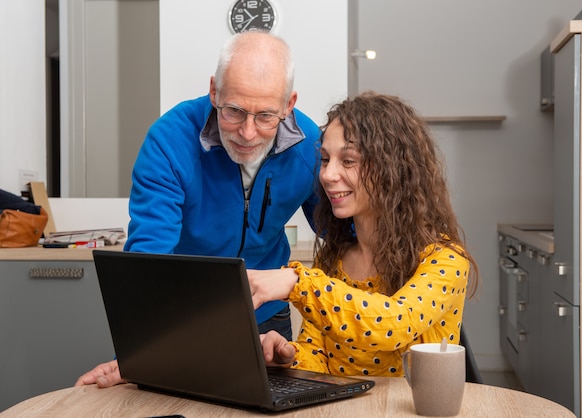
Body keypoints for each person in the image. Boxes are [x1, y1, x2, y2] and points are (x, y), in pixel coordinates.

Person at [75, 31, 320, 387]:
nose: (248, 133)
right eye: (234, 111)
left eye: (266, 115)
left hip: (267, 317)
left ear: (289, 105)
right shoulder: (169, 139)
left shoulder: (310, 145)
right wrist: (134, 357)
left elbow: (344, 231)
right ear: (214, 91)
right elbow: (149, 262)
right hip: (186, 316)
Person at [248, 91, 479, 376]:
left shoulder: (446, 260)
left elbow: (394, 324)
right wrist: (289, 357)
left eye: (348, 161)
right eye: (324, 159)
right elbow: (318, 354)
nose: (328, 175)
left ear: (394, 169)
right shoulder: (334, 258)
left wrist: (298, 283)